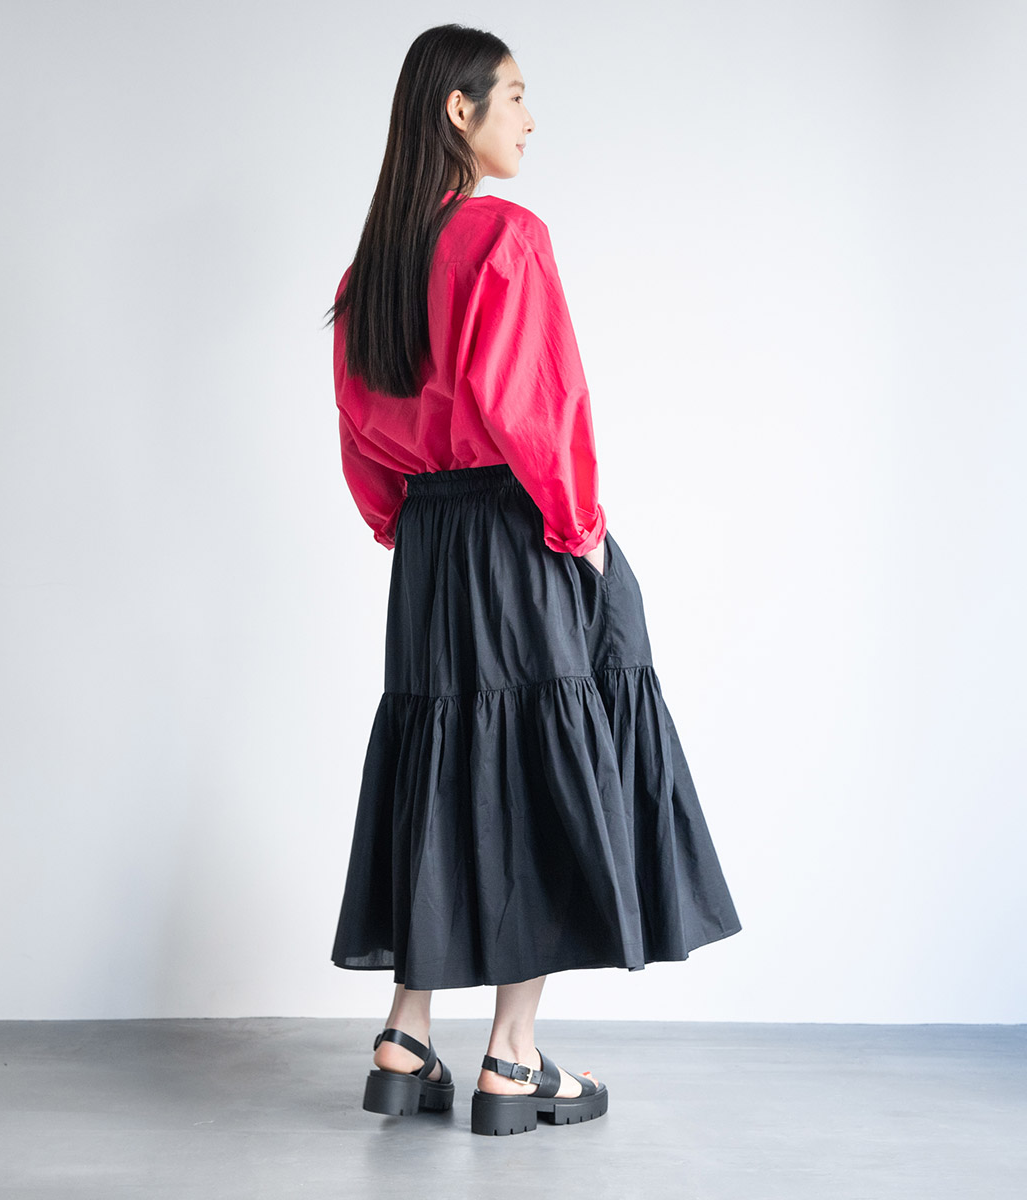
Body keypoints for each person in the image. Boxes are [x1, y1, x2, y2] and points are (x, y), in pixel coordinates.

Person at [323, 24, 743, 1137]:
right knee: (542, 761)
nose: (529, 116)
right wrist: (580, 530)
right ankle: (512, 1057)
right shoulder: (506, 237)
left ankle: (406, 1035)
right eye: (513, 94)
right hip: (518, 529)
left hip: (429, 548)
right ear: (457, 110)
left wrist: (412, 529)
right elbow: (535, 408)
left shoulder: (369, 273)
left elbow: (361, 439)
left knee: (442, 761)